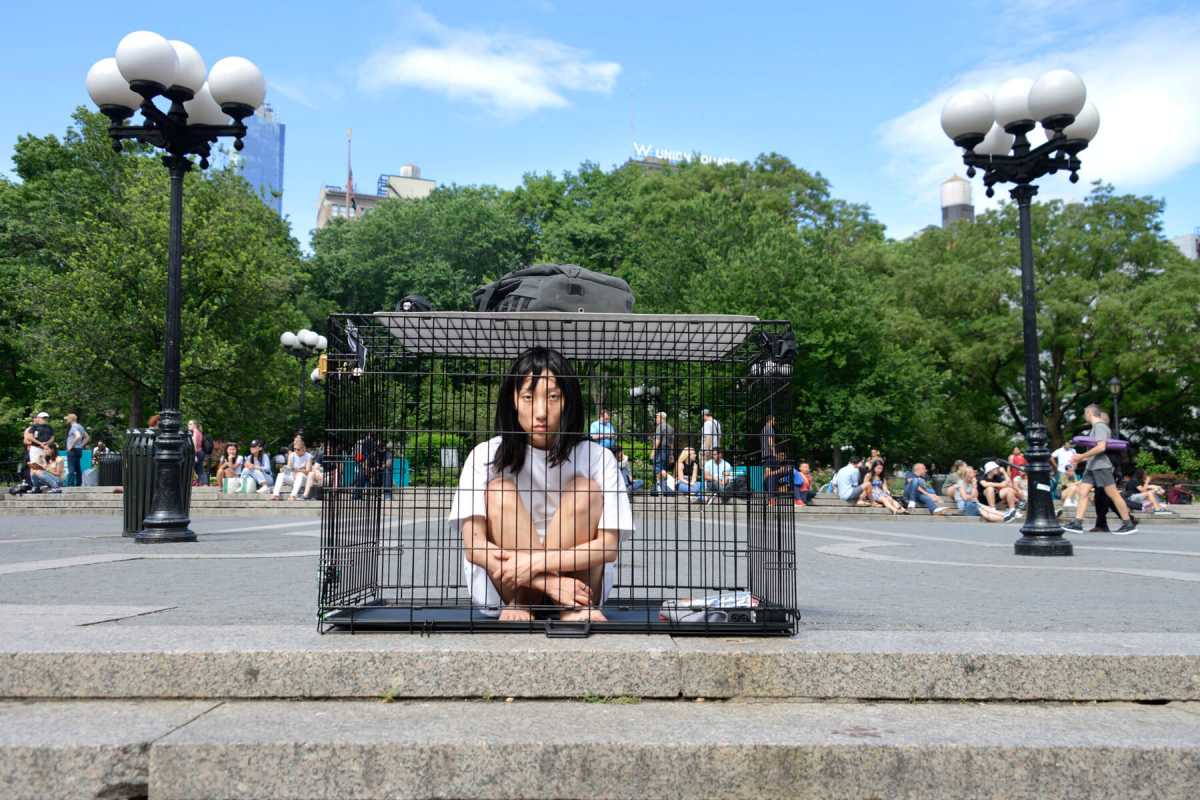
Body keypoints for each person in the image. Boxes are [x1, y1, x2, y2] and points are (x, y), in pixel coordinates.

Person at [448, 346, 632, 623]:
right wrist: (549, 583)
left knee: (585, 489)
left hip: (580, 587)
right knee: (499, 491)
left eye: (553, 397)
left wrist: (535, 564)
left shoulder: (597, 457)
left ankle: (572, 608)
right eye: (529, 397)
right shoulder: (485, 456)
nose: (541, 412)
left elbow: (608, 546)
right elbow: (475, 546)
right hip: (508, 589)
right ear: (513, 398)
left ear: (568, 401)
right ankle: (522, 602)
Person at [1063, 404, 1138, 535]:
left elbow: (1101, 447)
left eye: (1085, 413)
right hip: (1093, 466)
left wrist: (1082, 456)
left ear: (1090, 413)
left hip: (1101, 466)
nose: (1084, 416)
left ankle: (1128, 523)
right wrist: (1081, 459)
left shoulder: (1100, 427)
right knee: (1083, 492)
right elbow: (1096, 451)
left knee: (1113, 494)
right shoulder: (1096, 428)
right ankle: (1077, 523)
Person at [951, 465, 1017, 523]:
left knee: (986, 512)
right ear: (965, 475)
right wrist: (973, 493)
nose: (974, 474)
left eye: (973, 472)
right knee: (984, 510)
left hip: (972, 504)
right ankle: (1005, 515)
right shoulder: (961, 483)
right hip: (965, 506)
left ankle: (1005, 517)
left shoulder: (972, 483)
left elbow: (975, 497)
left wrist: (974, 487)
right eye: (971, 472)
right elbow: (965, 498)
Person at [273, 435, 314, 500]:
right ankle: (276, 495)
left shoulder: (308, 456)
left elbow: (308, 471)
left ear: (303, 449)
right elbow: (289, 468)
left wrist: (297, 471)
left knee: (300, 475)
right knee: (281, 475)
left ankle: (293, 495)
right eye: (294, 449)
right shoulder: (292, 455)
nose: (296, 451)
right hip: (293, 477)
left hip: (303, 479)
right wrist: (284, 469)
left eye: (298, 449)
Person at [63, 413, 89, 488]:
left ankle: (70, 484)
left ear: (71, 419)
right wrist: (81, 445)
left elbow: (77, 436)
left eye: (67, 419)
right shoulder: (80, 426)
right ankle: (78, 483)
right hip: (78, 450)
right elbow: (87, 437)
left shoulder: (73, 427)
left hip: (73, 450)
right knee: (77, 468)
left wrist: (71, 446)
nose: (66, 420)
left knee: (71, 468)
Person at [651, 411, 674, 494]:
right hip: (667, 452)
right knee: (663, 468)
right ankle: (664, 488)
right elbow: (671, 443)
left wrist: (653, 452)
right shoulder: (670, 428)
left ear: (661, 418)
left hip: (660, 451)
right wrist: (671, 455)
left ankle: (658, 487)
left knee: (658, 468)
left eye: (657, 417)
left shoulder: (660, 427)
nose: (656, 419)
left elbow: (657, 440)